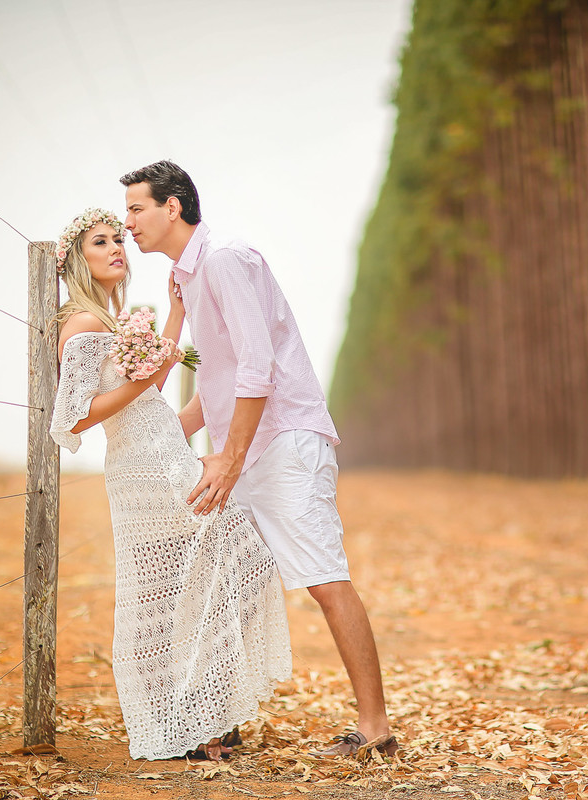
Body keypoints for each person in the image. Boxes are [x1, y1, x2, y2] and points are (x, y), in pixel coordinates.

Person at [120, 160, 397, 758]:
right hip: (245, 451)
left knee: (324, 580)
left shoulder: (223, 258)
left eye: (137, 209)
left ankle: (375, 730)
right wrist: (158, 431)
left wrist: (227, 457)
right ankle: (221, 722)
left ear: (173, 207)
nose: (129, 224)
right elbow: (218, 385)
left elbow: (257, 367)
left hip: (285, 446)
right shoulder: (187, 277)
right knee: (228, 582)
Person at [48, 207, 291, 761]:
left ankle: (199, 714)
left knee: (204, 579)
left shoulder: (114, 322)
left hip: (167, 457)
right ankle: (183, 722)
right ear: (75, 263)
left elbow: (151, 380)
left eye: (118, 239)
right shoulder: (84, 326)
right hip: (145, 471)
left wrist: (175, 318)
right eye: (100, 243)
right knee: (205, 573)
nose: (117, 248)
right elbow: (76, 416)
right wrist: (142, 375)